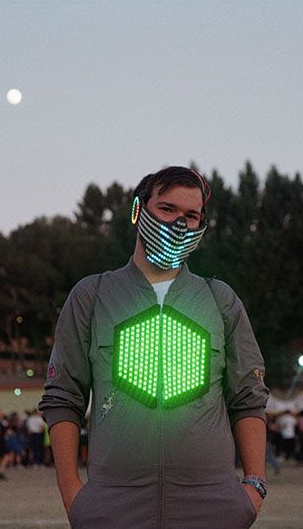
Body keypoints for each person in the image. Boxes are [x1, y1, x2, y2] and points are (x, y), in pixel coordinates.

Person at [39, 166, 269, 528]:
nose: (179, 224)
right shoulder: (92, 296)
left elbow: (248, 397)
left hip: (212, 505)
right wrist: (73, 494)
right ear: (138, 210)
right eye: (167, 209)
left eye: (191, 215)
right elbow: (63, 397)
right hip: (114, 506)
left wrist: (253, 487)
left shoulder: (219, 299)